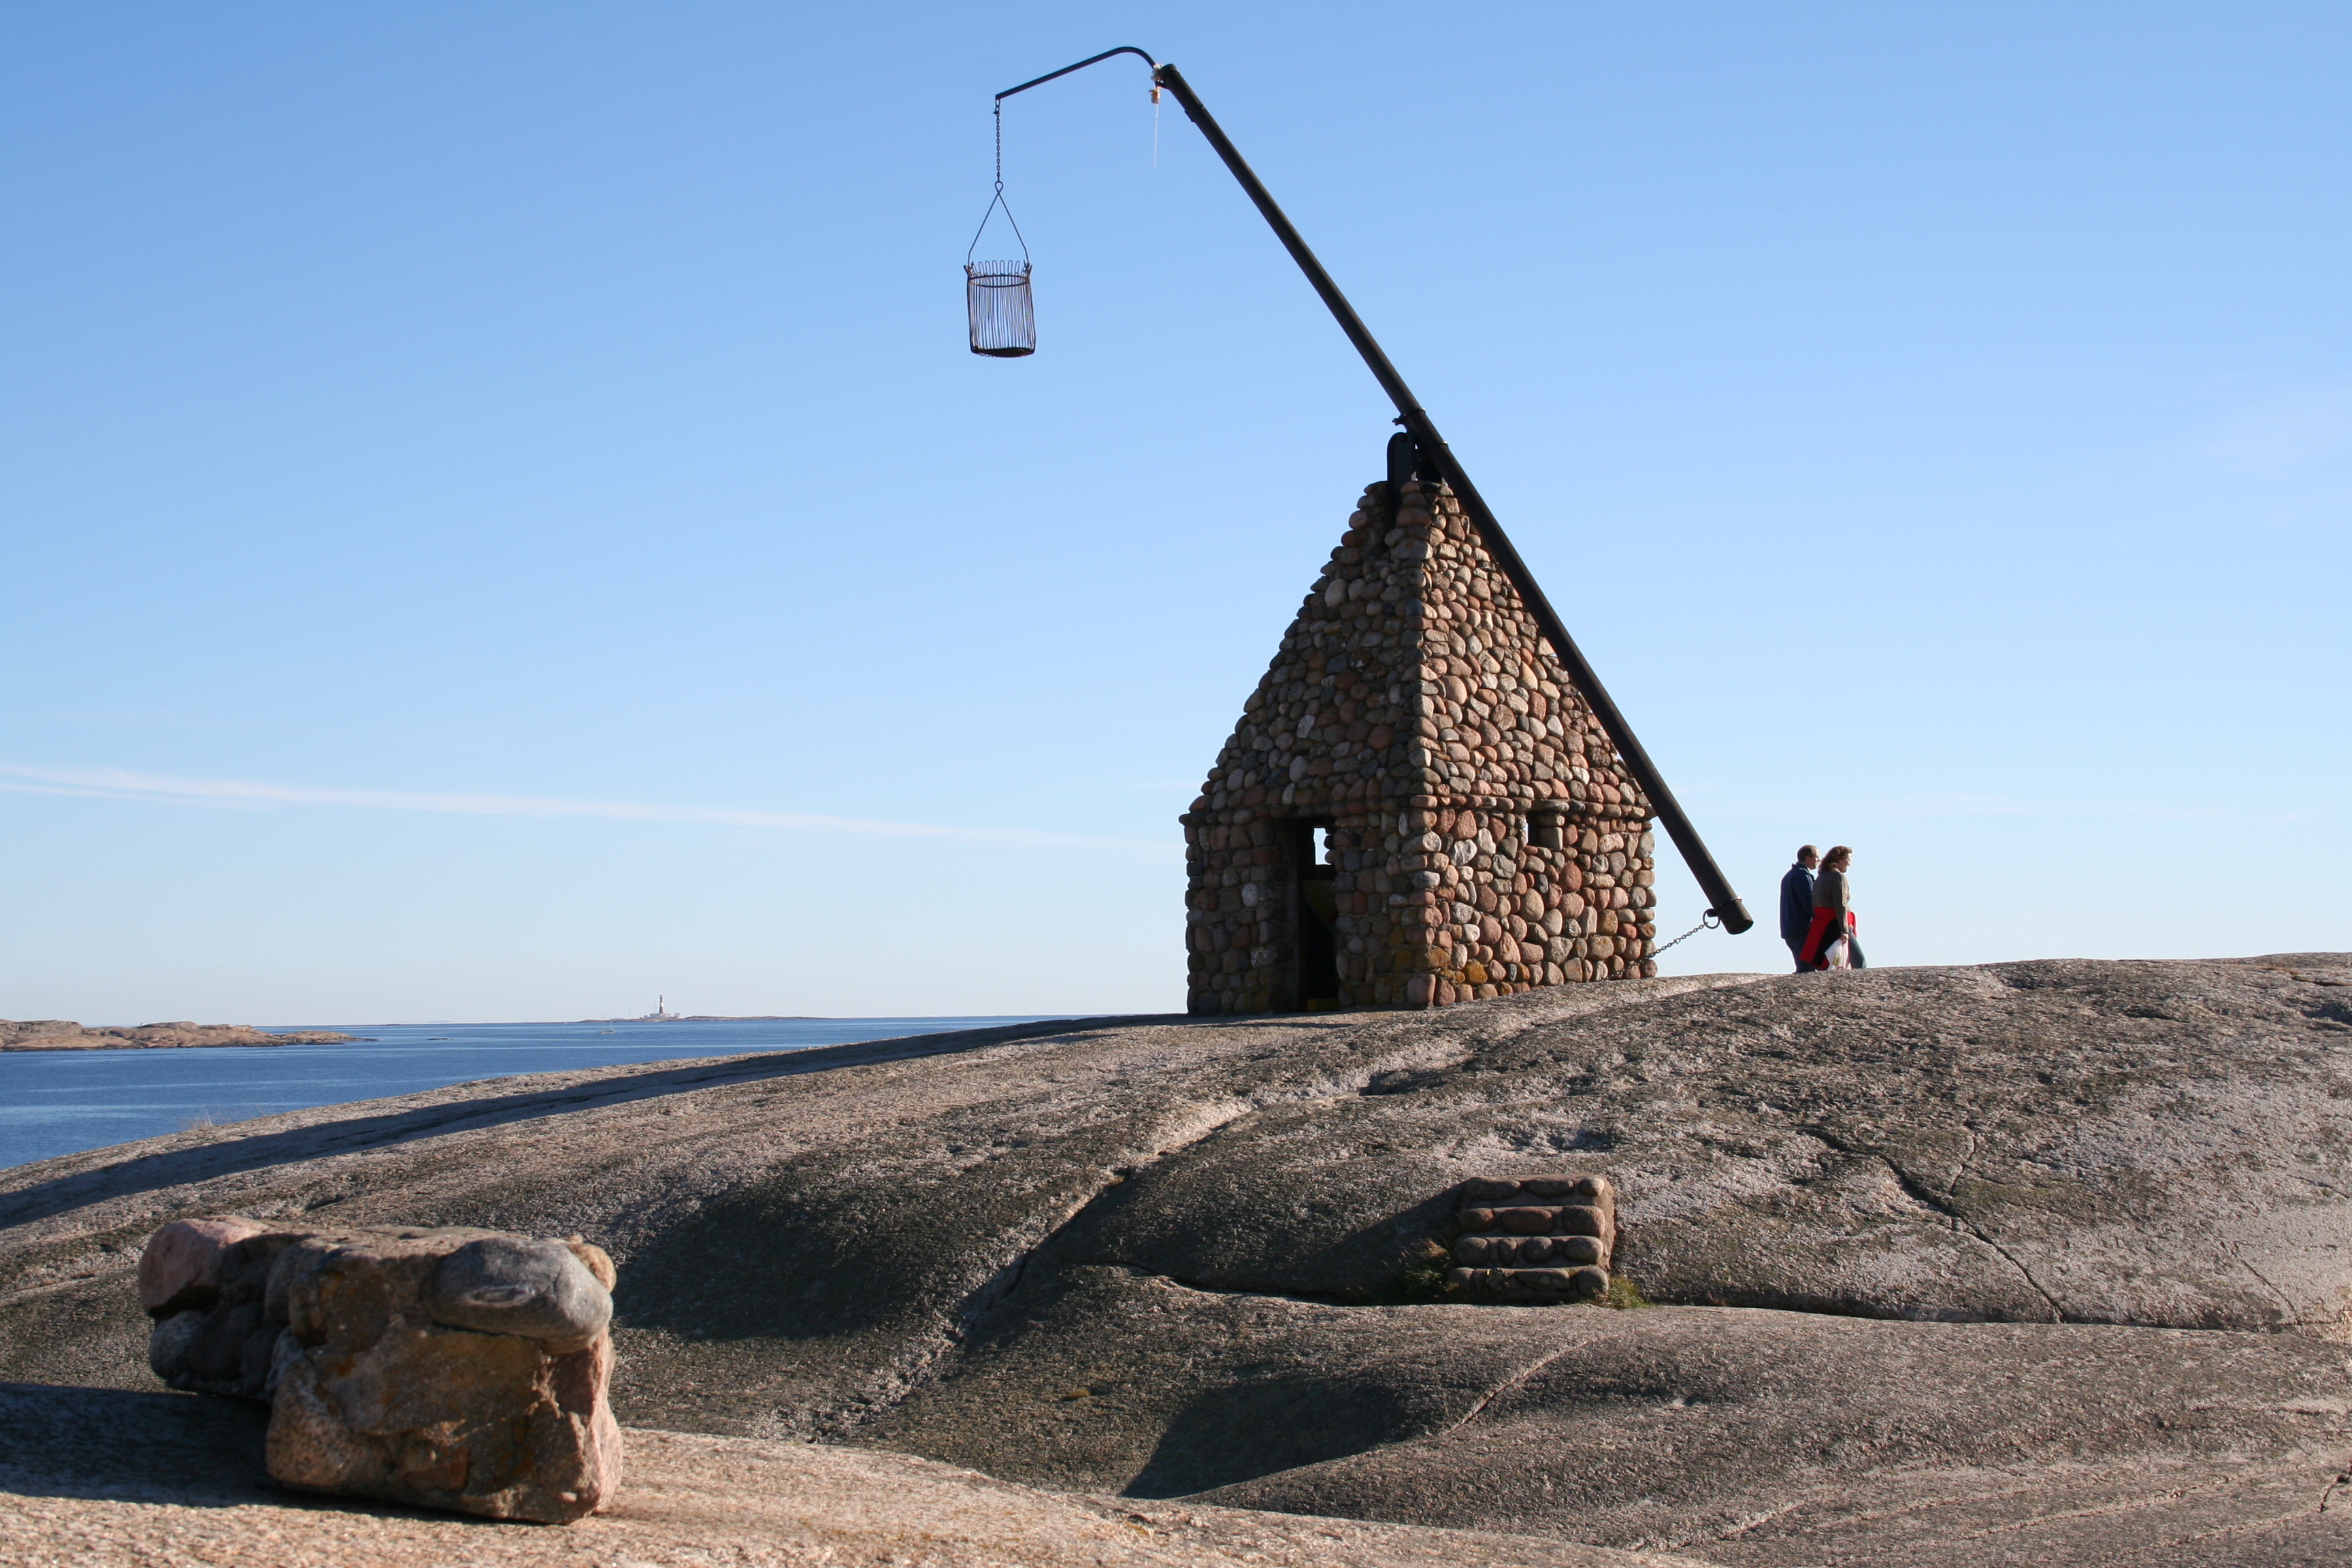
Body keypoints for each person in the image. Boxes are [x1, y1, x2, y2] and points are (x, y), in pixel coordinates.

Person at [1800, 846, 1861, 970]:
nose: (1849, 863)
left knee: (1828, 961)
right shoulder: (1838, 877)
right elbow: (1841, 905)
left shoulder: (1821, 877)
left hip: (1822, 926)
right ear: (1838, 860)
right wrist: (1844, 930)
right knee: (1859, 961)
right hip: (1836, 924)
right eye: (1847, 860)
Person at [1779, 846, 1819, 973]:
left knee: (1803, 966)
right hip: (1801, 929)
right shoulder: (1803, 876)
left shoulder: (1789, 876)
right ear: (1808, 859)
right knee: (1806, 969)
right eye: (1817, 857)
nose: (1819, 860)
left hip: (1789, 928)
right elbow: (1809, 902)